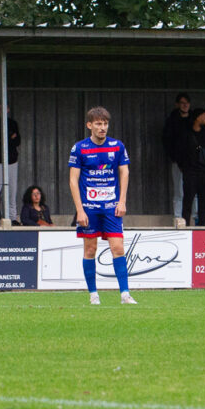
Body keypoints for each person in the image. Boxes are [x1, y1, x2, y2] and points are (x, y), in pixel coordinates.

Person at [68, 106, 135, 305]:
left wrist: (122, 201)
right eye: (98, 124)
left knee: (118, 247)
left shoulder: (117, 146)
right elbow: (73, 180)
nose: (102, 127)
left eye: (105, 124)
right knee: (90, 249)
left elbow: (125, 172)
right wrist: (79, 210)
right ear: (89, 125)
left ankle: (125, 294)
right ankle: (93, 294)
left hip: (111, 207)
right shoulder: (79, 148)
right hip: (89, 207)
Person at [0, 100, 22, 226]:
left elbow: (17, 141)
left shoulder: (13, 123)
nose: (1, 111)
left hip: (12, 160)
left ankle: (12, 217)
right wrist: (8, 139)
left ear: (8, 109)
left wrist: (5, 140)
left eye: (3, 108)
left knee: (12, 190)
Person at [161, 93, 192, 222]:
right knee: (179, 190)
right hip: (178, 161)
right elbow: (167, 140)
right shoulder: (172, 120)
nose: (185, 105)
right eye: (182, 103)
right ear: (177, 104)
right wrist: (174, 157)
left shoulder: (193, 119)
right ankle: (178, 218)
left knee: (194, 191)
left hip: (193, 162)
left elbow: (199, 142)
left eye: (187, 103)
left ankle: (195, 217)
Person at [180, 109, 205, 226]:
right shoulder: (186, 134)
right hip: (190, 171)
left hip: (204, 171)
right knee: (188, 199)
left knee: (204, 199)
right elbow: (180, 152)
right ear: (198, 118)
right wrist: (184, 166)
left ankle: (202, 222)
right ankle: (186, 223)